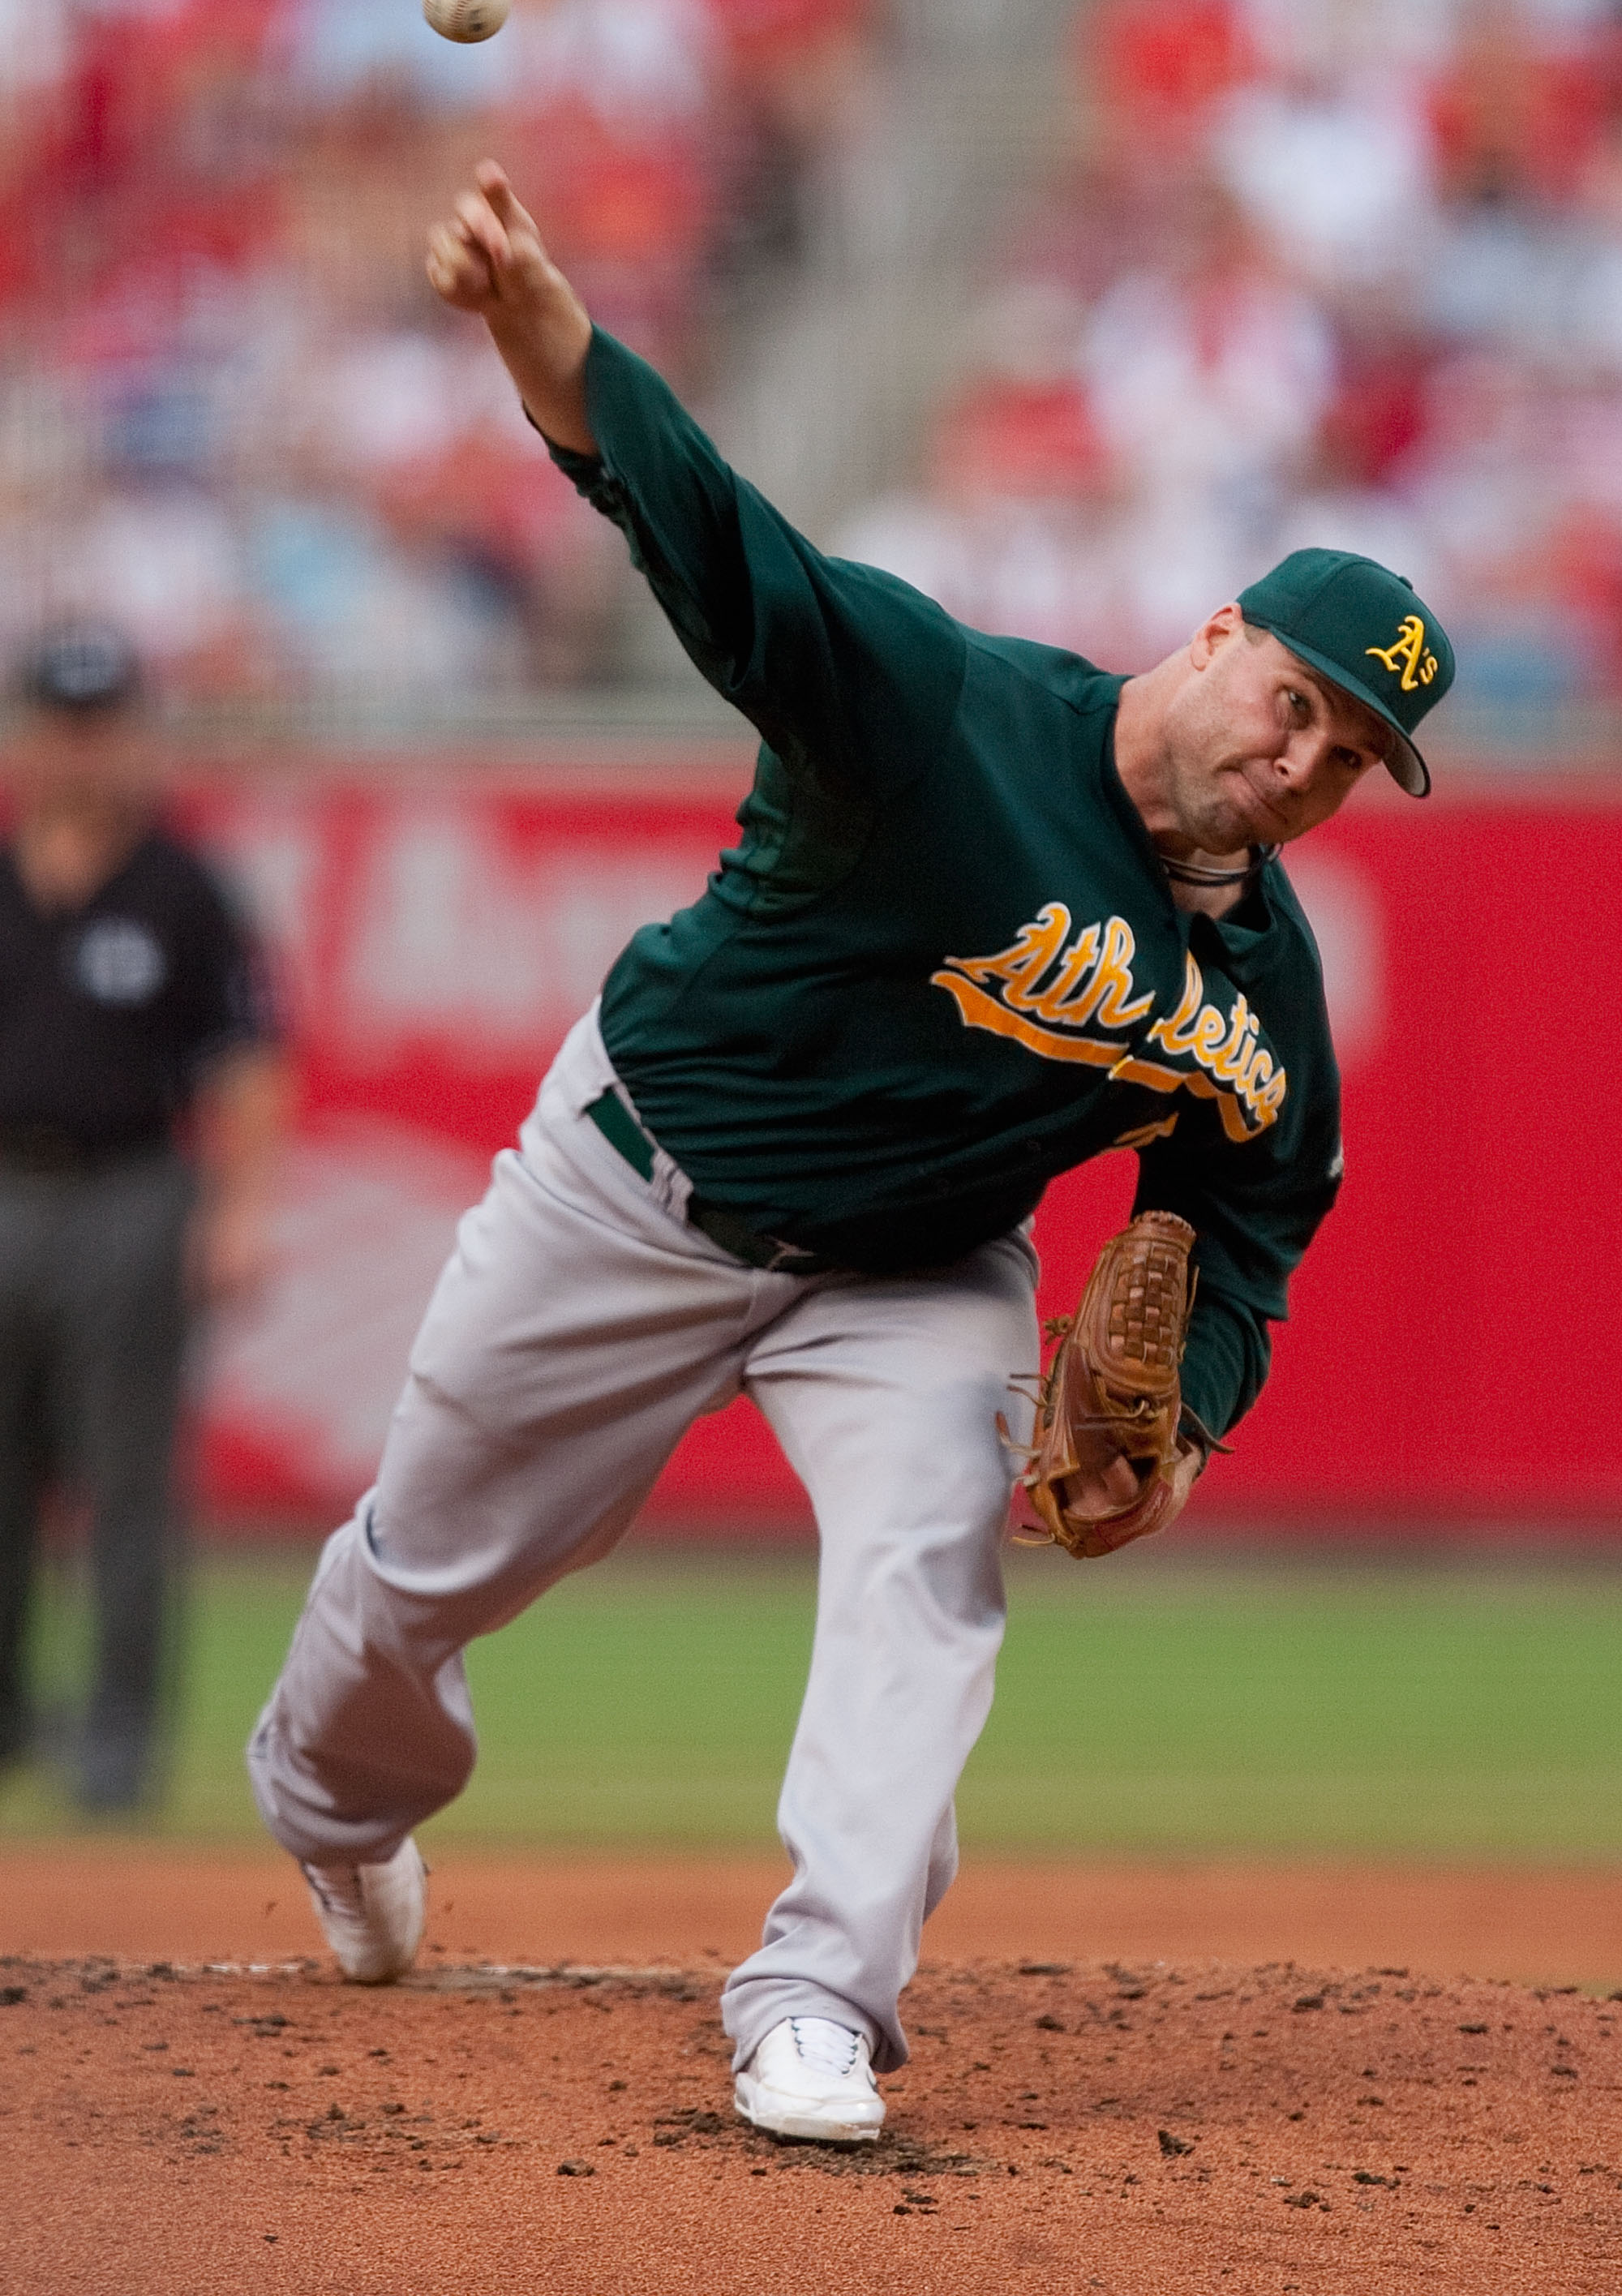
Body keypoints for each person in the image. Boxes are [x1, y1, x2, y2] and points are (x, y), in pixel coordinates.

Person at [249, 161, 1456, 2144]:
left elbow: (1243, 1218)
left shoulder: (1262, 985)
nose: (1305, 763)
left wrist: (1183, 1418)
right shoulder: (938, 712)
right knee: (423, 1575)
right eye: (1300, 706)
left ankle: (818, 1994)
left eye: (1349, 760)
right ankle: (336, 1810)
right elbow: (713, 540)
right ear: (1220, 633)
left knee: (926, 1560)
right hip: (635, 1184)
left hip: (915, 1271)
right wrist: (539, 331)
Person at [0, 625, 285, 1813]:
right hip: (7, 1188)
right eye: (62, 724)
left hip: (131, 1191)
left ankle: (116, 1745)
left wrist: (241, 1210)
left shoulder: (183, 888)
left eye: (102, 723)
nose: (82, 748)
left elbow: (250, 1061)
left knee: (127, 1486)